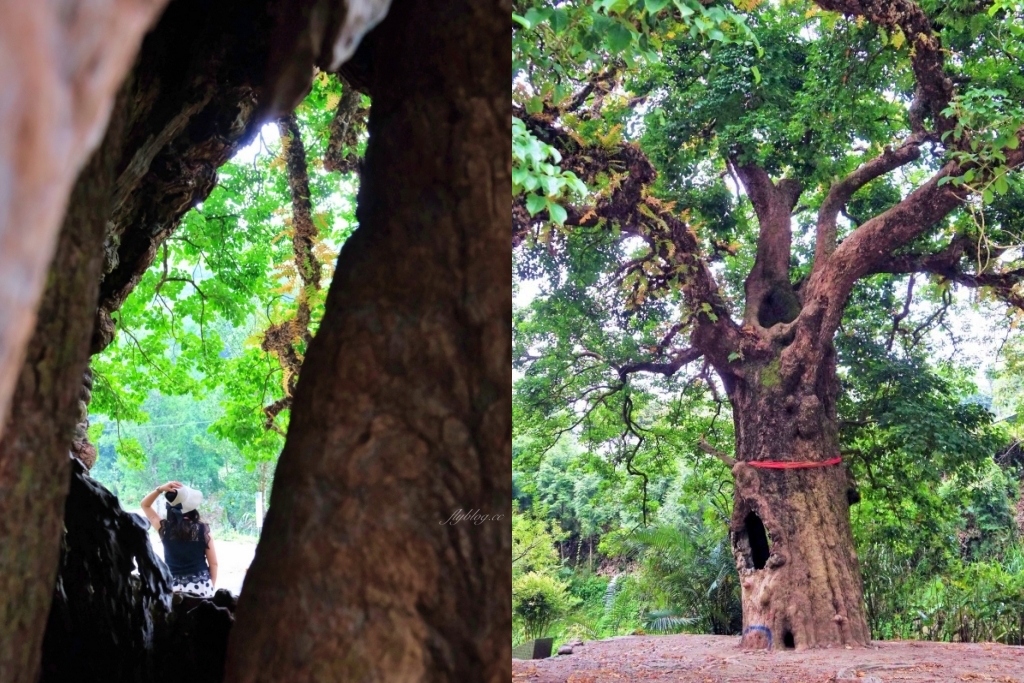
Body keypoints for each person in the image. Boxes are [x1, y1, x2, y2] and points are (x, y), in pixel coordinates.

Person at [141, 481, 219, 597]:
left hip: (173, 587)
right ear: (193, 508)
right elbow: (214, 563)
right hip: (201, 585)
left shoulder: (164, 528)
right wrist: (210, 585)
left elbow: (145, 505)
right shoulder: (203, 530)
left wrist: (160, 489)